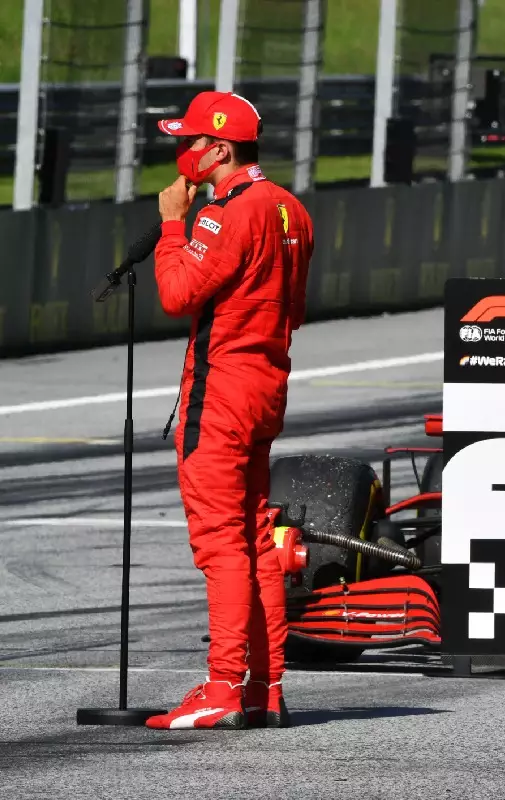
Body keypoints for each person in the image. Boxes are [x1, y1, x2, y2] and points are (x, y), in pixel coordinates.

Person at [144, 91, 314, 730]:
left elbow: (177, 293)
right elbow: (293, 308)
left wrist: (170, 228)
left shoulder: (225, 212)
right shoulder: (292, 209)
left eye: (188, 142)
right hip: (267, 386)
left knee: (220, 544)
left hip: (220, 394)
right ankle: (265, 689)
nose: (182, 153)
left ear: (218, 147)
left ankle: (221, 686)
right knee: (255, 539)